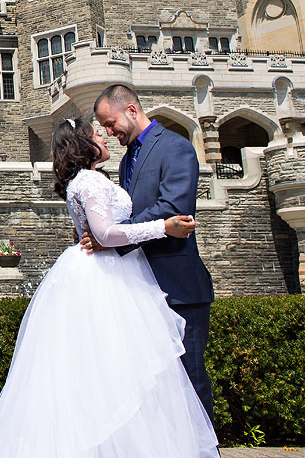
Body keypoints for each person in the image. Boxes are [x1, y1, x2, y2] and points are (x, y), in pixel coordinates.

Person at [0, 118, 219, 458]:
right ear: (84, 145)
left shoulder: (87, 179)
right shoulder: (92, 181)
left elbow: (95, 232)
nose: (106, 135)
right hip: (108, 277)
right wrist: (163, 227)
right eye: (99, 133)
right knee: (120, 369)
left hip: (107, 271)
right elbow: (106, 234)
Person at [91, 83, 216, 421]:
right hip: (142, 290)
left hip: (179, 287)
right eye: (104, 127)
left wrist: (115, 237)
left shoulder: (176, 147)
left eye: (110, 123)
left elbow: (173, 206)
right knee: (155, 386)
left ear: (132, 110)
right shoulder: (127, 160)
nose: (108, 131)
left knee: (189, 378)